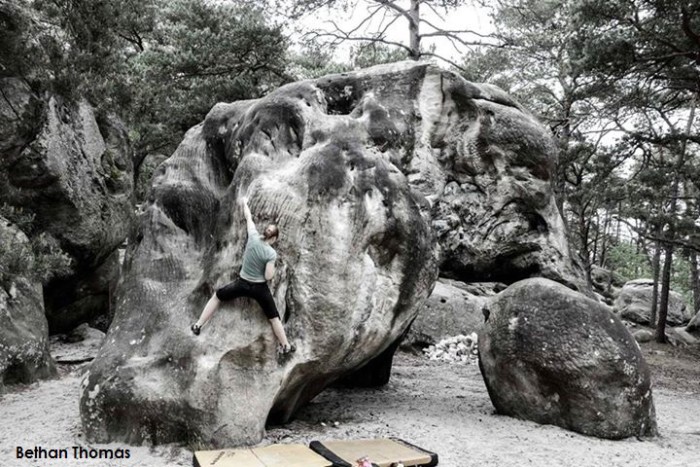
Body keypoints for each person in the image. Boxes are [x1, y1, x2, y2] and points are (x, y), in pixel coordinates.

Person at [190, 196, 295, 357]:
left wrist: (245, 203)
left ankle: (198, 325)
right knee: (274, 318)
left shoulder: (252, 237)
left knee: (217, 296)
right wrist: (272, 265)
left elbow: (248, 218)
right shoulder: (271, 253)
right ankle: (286, 346)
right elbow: (268, 276)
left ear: (264, 232)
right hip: (259, 289)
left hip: (242, 283)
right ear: (273, 238)